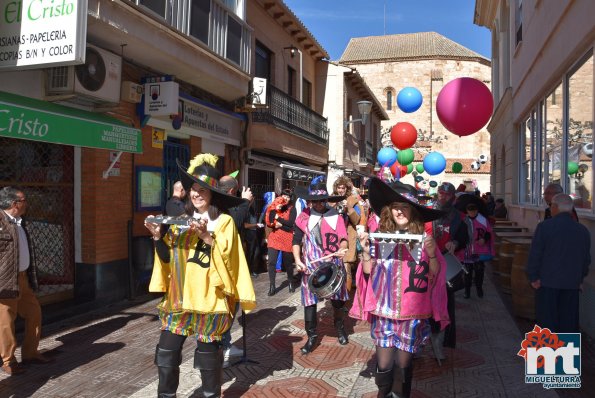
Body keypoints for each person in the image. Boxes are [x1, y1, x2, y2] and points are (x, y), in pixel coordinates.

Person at [144, 154, 255, 398]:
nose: (196, 194)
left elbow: (229, 260)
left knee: (208, 361)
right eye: (193, 189)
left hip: (210, 301)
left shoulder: (223, 222)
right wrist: (156, 237)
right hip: (179, 299)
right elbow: (166, 258)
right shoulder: (180, 221)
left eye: (202, 190)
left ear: (212, 194)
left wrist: (206, 236)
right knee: (166, 355)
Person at [357, 177, 449, 398]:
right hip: (384, 312)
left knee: (403, 368)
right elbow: (369, 271)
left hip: (412, 315)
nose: (399, 212)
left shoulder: (425, 239)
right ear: (389, 211)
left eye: (404, 208)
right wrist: (366, 251)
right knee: (384, 366)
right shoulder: (379, 237)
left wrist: (431, 254)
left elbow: (436, 273)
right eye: (395, 208)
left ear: (412, 211)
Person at [0, 187, 54, 376]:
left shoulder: (21, 222)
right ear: (15, 204)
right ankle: (9, 360)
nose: (27, 203)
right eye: (24, 200)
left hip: (23, 278)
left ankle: (30, 353)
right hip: (5, 282)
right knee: (6, 322)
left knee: (34, 313)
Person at [292, 183, 349, 354]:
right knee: (309, 304)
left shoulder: (336, 216)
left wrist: (342, 248)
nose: (317, 204)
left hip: (332, 265)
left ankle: (340, 329)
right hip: (310, 266)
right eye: (314, 201)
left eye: (321, 201)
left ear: (326, 200)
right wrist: (297, 259)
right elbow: (296, 241)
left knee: (338, 302)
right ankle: (311, 338)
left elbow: (343, 238)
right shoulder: (303, 217)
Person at [526, 193, 590, 333]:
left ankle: (548, 354)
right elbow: (586, 259)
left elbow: (536, 255)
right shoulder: (583, 230)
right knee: (568, 323)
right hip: (571, 284)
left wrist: (533, 277)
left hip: (547, 283)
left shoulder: (545, 227)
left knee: (546, 323)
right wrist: (580, 279)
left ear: (555, 207)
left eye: (551, 206)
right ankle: (565, 354)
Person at [217, 174, 255, 366]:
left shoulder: (220, 201)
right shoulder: (223, 206)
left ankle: (226, 344)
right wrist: (245, 202)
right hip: (225, 264)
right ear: (233, 190)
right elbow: (235, 222)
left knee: (232, 305)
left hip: (229, 261)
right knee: (229, 306)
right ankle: (223, 348)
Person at [429, 182, 469, 357]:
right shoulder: (428, 213)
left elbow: (464, 237)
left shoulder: (459, 217)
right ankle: (420, 338)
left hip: (446, 263)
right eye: (440, 193)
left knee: (445, 303)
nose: (442, 196)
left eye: (446, 194)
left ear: (452, 196)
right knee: (422, 300)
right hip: (427, 262)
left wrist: (456, 242)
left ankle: (441, 340)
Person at [332, 176, 366, 291]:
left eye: (343, 188)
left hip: (347, 238)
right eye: (339, 188)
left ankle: (345, 299)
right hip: (333, 238)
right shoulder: (331, 200)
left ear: (346, 189)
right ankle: (336, 298)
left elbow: (357, 220)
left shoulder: (353, 200)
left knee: (346, 268)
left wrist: (349, 208)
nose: (341, 190)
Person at [265, 189, 298, 296]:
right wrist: (275, 223)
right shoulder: (275, 206)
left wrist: (279, 221)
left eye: (288, 197)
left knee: (288, 263)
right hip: (274, 237)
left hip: (287, 238)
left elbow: (291, 224)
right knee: (271, 262)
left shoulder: (292, 209)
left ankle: (290, 282)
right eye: (284, 196)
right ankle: (272, 285)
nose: (286, 199)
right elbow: (270, 222)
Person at [461, 201, 495, 299]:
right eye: (470, 211)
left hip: (480, 250)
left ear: (477, 211)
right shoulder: (464, 220)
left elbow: (489, 233)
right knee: (467, 272)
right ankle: (467, 291)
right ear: (467, 211)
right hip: (467, 250)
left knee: (479, 271)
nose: (472, 213)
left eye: (474, 211)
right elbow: (460, 234)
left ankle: (479, 289)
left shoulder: (483, 220)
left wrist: (484, 239)